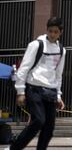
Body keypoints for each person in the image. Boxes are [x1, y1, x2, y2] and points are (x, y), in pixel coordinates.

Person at [8, 17, 66, 150]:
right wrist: (20, 92)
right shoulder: (36, 45)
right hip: (34, 88)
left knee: (49, 128)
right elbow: (24, 68)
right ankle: (15, 147)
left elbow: (58, 74)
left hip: (51, 91)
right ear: (47, 30)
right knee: (39, 120)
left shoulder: (62, 50)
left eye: (55, 32)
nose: (52, 34)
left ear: (60, 32)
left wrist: (58, 95)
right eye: (50, 31)